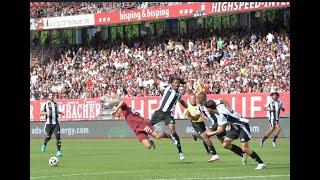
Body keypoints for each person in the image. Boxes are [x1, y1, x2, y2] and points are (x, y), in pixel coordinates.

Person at [205, 100, 266, 170]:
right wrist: (229, 107)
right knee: (225, 144)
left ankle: (261, 163)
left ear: (209, 108)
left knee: (245, 148)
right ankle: (243, 154)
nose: (206, 110)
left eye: (207, 108)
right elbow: (223, 101)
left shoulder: (222, 114)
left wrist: (210, 134)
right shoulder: (218, 106)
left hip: (242, 126)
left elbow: (221, 130)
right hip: (234, 127)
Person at [193, 92, 246, 164]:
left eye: (197, 98)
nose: (196, 99)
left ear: (201, 98)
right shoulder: (200, 107)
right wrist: (191, 116)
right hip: (216, 124)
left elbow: (224, 101)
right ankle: (242, 153)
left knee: (204, 136)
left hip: (217, 123)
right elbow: (196, 117)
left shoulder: (210, 103)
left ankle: (214, 155)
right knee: (225, 144)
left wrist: (228, 108)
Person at [150, 62, 188, 160]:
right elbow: (155, 79)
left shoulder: (178, 94)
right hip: (159, 112)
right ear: (171, 83)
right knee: (147, 127)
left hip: (168, 114)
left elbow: (182, 103)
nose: (176, 84)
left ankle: (180, 152)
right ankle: (151, 139)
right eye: (175, 83)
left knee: (173, 131)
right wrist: (154, 67)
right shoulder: (166, 86)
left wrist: (189, 108)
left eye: (178, 83)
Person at [184, 94, 219, 162]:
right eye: (192, 98)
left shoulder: (201, 105)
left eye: (195, 98)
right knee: (204, 136)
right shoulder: (188, 107)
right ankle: (213, 154)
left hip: (203, 122)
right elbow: (187, 116)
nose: (194, 99)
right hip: (195, 123)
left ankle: (212, 153)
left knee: (205, 137)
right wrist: (190, 116)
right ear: (190, 99)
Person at [40, 92, 64, 157]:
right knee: (49, 136)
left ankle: (58, 152)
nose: (52, 96)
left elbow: (56, 112)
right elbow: (41, 113)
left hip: (56, 123)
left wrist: (61, 113)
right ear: (48, 96)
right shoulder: (46, 104)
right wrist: (46, 112)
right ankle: (44, 145)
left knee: (58, 137)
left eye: (53, 95)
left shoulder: (56, 104)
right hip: (49, 124)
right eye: (50, 95)